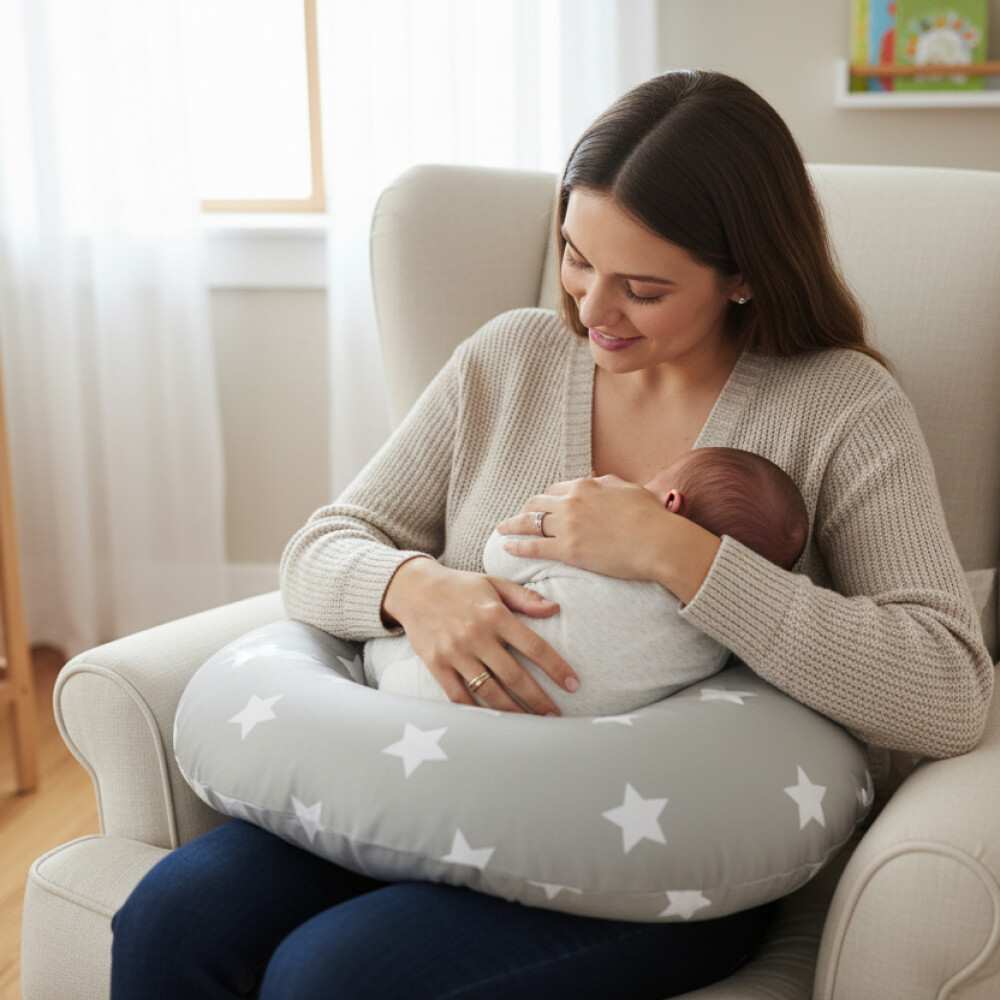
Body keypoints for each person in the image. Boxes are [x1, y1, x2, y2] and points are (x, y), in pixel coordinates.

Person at [110, 70, 993, 1000]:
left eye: (643, 289)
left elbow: (945, 689)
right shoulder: (511, 359)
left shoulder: (838, 406)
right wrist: (417, 589)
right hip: (431, 783)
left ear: (743, 275)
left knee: (333, 976)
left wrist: (681, 556)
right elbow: (323, 544)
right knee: (174, 918)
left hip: (650, 859)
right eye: (575, 257)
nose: (592, 310)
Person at [366, 446, 808, 716]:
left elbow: (498, 557)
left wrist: (560, 512)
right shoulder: (716, 644)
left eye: (649, 482)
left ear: (671, 502)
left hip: (441, 694)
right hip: (558, 735)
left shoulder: (597, 556)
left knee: (376, 656)